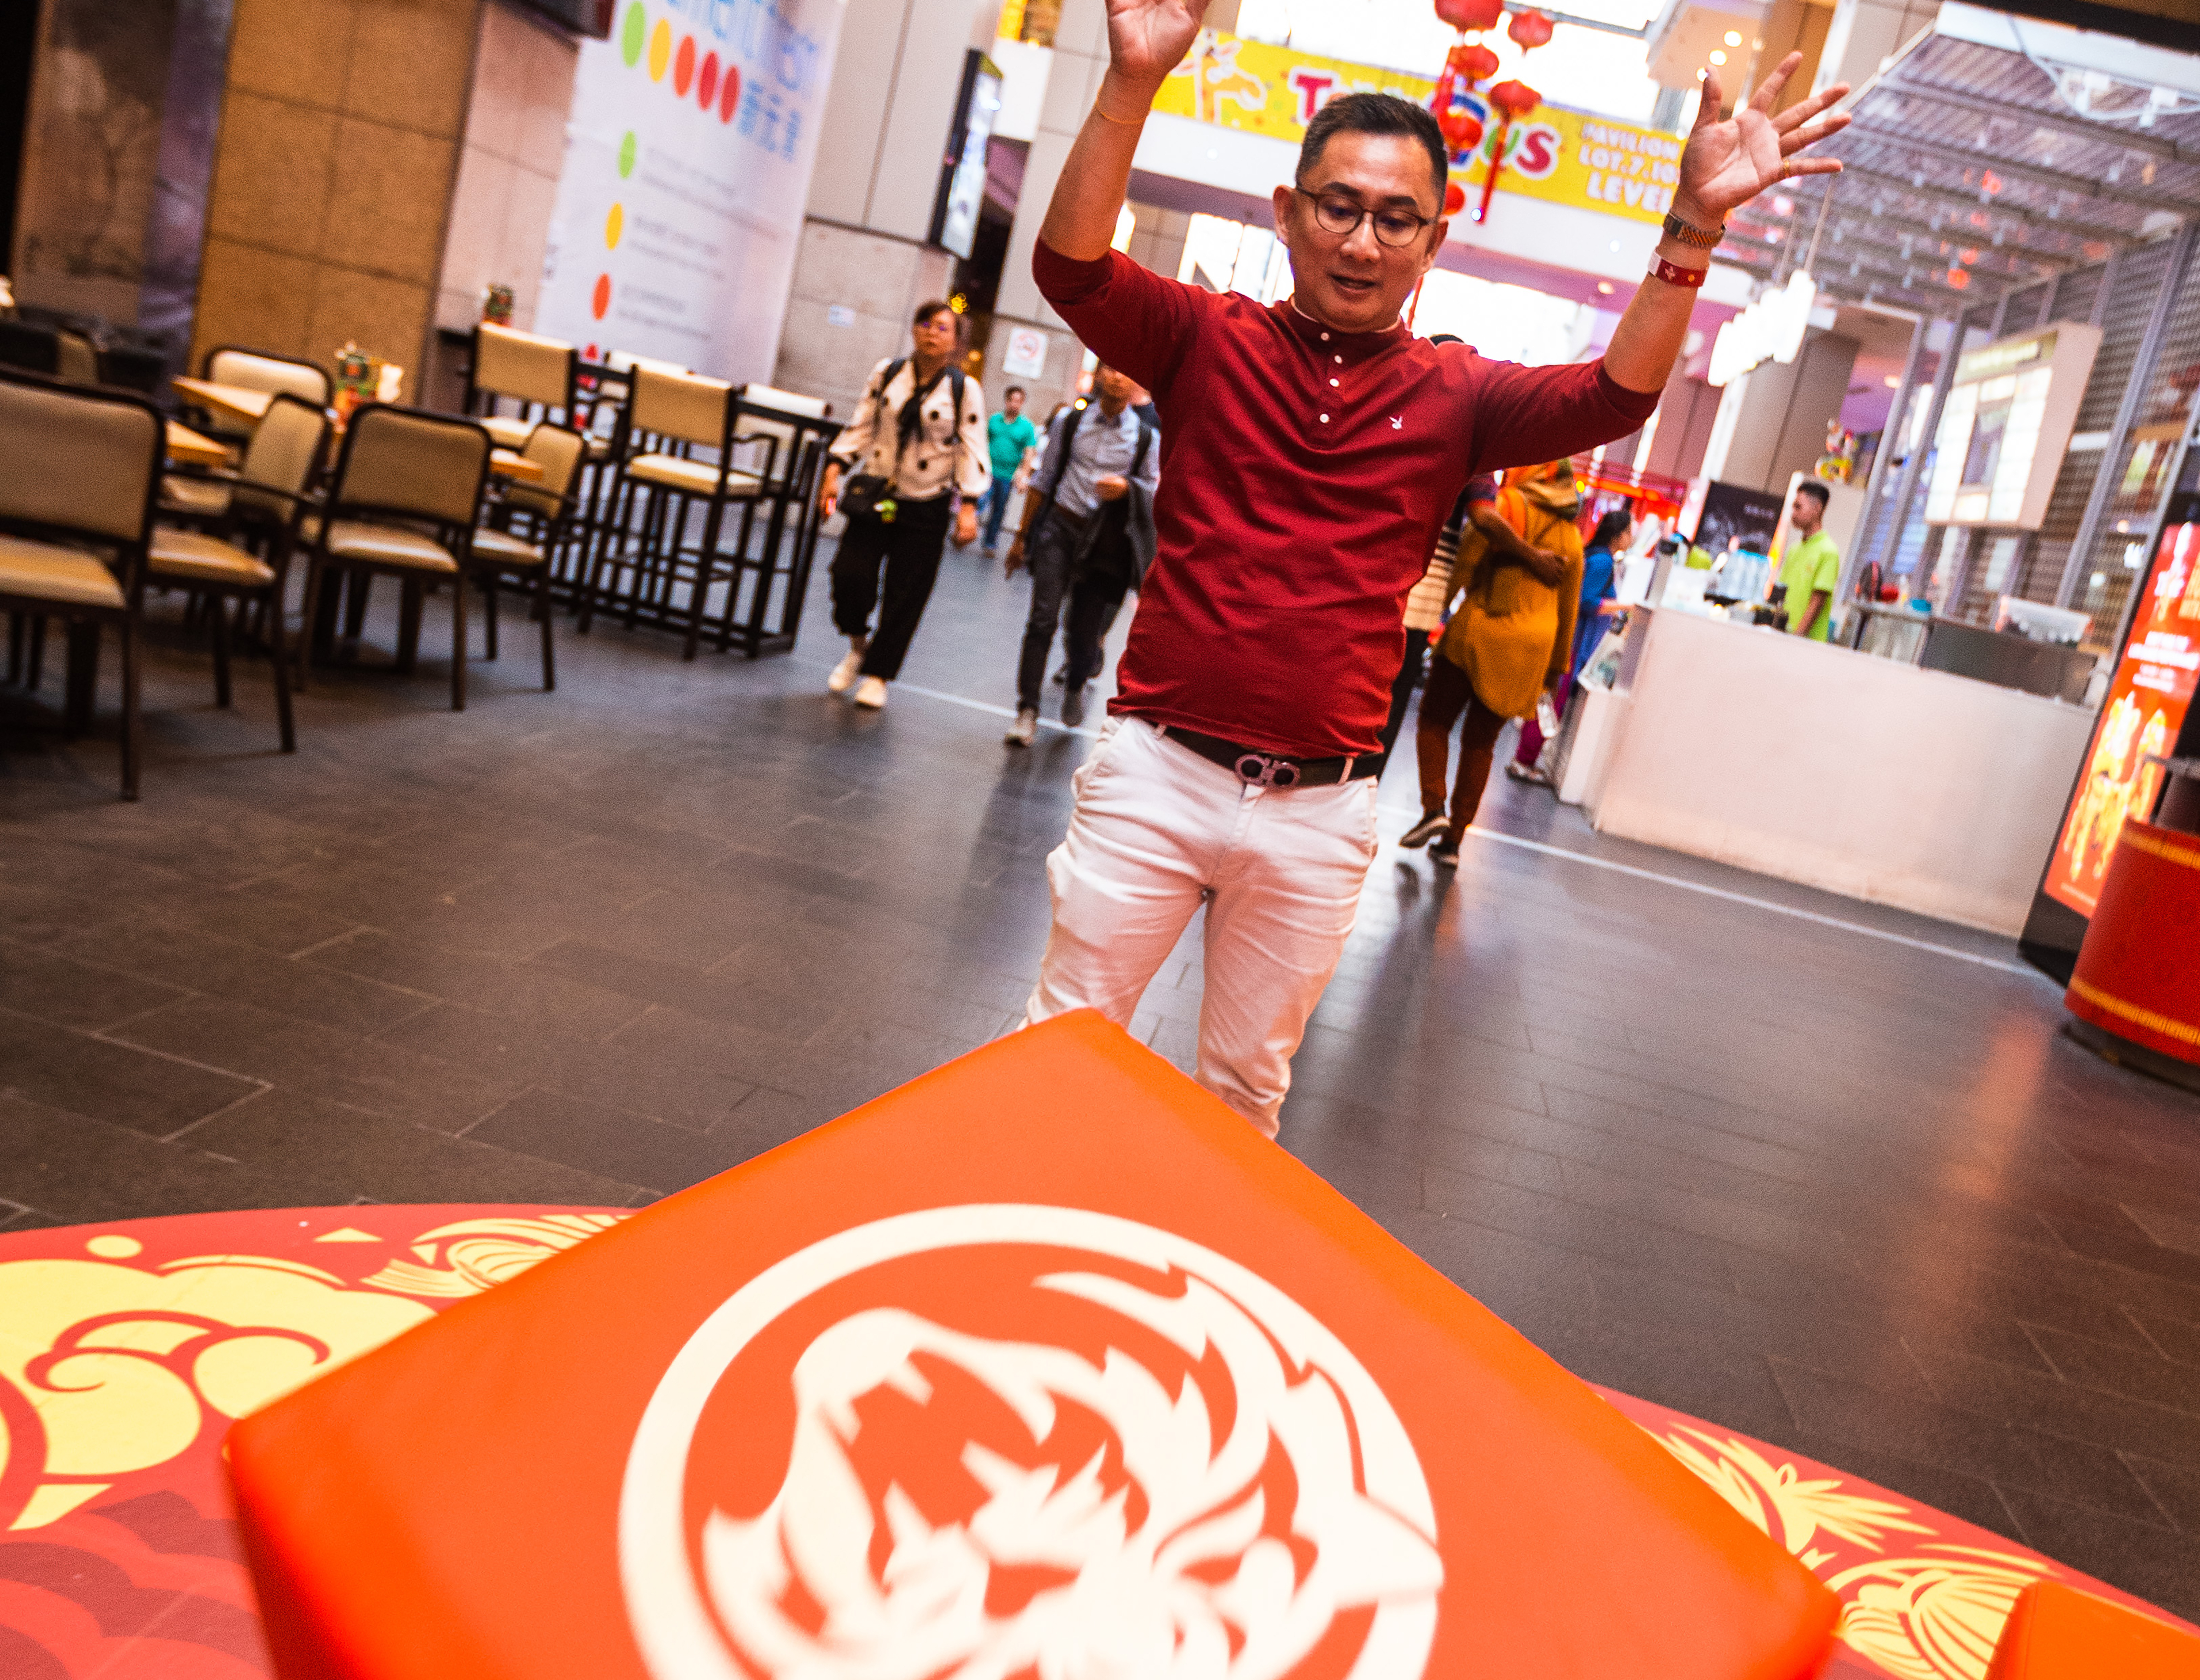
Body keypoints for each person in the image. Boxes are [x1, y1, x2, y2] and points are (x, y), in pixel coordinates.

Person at [1016, 0, 1846, 1134]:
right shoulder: (1206, 337)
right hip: (1157, 774)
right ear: (1288, 213)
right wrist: (1127, 86)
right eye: (1339, 208)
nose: (1362, 241)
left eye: (1396, 219)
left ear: (1433, 239)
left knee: (1241, 1098)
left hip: (1322, 808)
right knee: (1057, 1052)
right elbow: (1069, 269)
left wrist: (1691, 228)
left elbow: (1615, 394)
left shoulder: (1457, 393)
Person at [1403, 461, 1583, 861]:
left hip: (1481, 628)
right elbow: (1569, 611)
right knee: (1481, 745)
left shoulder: (1508, 505)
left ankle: (1434, 806)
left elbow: (1467, 561)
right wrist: (1556, 672)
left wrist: (1438, 607)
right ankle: (1454, 842)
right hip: (1532, 649)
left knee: (1435, 719)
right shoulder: (1573, 538)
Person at [818, 300, 989, 709]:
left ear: (955, 341)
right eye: (925, 324)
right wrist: (835, 467)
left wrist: (968, 507)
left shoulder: (965, 390)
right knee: (849, 575)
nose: (932, 332)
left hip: (926, 502)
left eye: (943, 328)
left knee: (906, 593)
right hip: (879, 494)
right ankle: (859, 644)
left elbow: (971, 447)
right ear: (914, 329)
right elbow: (862, 423)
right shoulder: (888, 373)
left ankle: (878, 674)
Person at [1004, 363, 1160, 745]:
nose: (1120, 376)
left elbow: (1154, 490)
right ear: (1099, 375)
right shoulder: (1068, 423)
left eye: (1128, 370)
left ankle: (1076, 683)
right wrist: (1022, 537)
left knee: (1085, 633)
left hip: (1104, 542)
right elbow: (1044, 478)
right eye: (1112, 368)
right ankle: (1027, 709)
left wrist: (1126, 487)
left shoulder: (1144, 438)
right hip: (1061, 527)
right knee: (1042, 619)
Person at [1508, 504, 1630, 784]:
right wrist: (1624, 605)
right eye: (1629, 532)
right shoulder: (1603, 562)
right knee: (1552, 702)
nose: (1631, 538)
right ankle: (1523, 761)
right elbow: (1586, 602)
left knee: (1549, 699)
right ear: (1619, 535)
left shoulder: (1595, 556)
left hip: (1569, 637)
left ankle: (1524, 759)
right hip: (1574, 641)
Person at [1778, 479, 1839, 640]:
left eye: (1799, 507)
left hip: (1806, 644)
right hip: (1783, 636)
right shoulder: (1794, 550)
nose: (1794, 513)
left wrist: (1797, 639)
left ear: (1817, 509)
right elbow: (1782, 596)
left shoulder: (1828, 552)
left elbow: (1817, 602)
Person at [982, 385, 1039, 554]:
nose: (1014, 405)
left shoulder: (1026, 427)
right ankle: (964, 529)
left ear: (1022, 404)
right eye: (1012, 400)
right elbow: (983, 442)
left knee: (999, 510)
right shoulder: (994, 420)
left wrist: (1024, 475)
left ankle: (990, 542)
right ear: (1006, 401)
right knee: (979, 501)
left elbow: (1029, 452)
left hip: (1007, 475)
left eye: (1018, 402)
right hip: (988, 472)